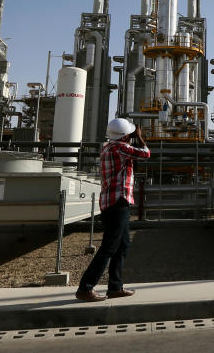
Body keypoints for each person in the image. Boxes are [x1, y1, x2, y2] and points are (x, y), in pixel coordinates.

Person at [75, 117, 150, 302]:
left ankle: (115, 287)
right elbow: (146, 154)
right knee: (109, 247)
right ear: (125, 136)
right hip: (118, 202)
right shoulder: (120, 148)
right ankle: (85, 288)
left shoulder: (107, 147)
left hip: (110, 202)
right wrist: (139, 137)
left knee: (122, 245)